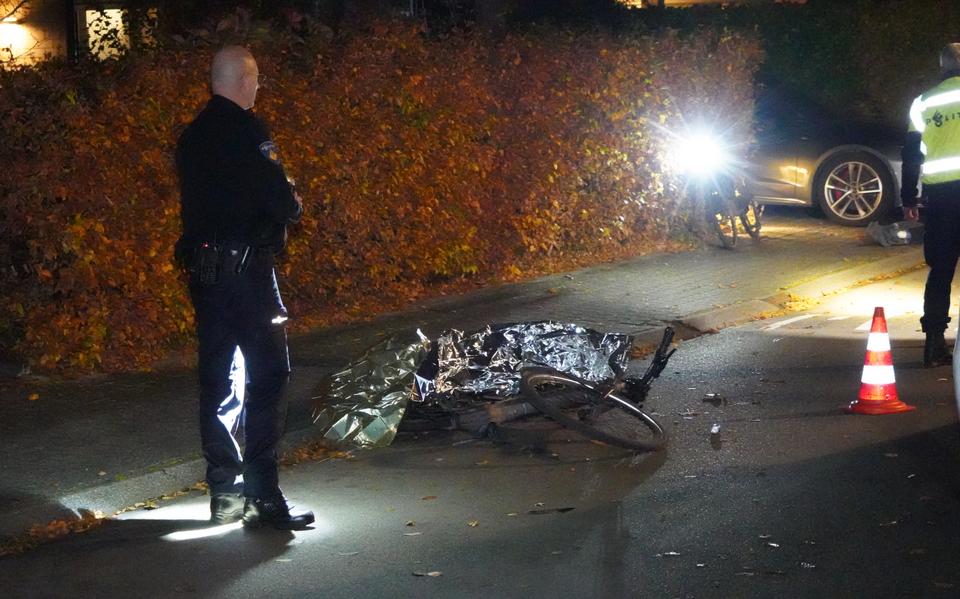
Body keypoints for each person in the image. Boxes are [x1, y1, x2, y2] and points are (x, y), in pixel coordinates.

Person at [175, 45, 313, 529]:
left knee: (218, 379)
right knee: (268, 375)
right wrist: (292, 201)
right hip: (248, 274)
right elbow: (279, 201)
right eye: (256, 80)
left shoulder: (191, 138)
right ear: (243, 80)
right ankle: (264, 494)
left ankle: (224, 493)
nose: (258, 88)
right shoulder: (249, 130)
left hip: (205, 275)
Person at [902, 43, 960, 368]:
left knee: (940, 270)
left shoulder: (923, 102)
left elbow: (911, 154)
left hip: (940, 199)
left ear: (942, 68)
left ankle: (934, 345)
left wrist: (908, 198)